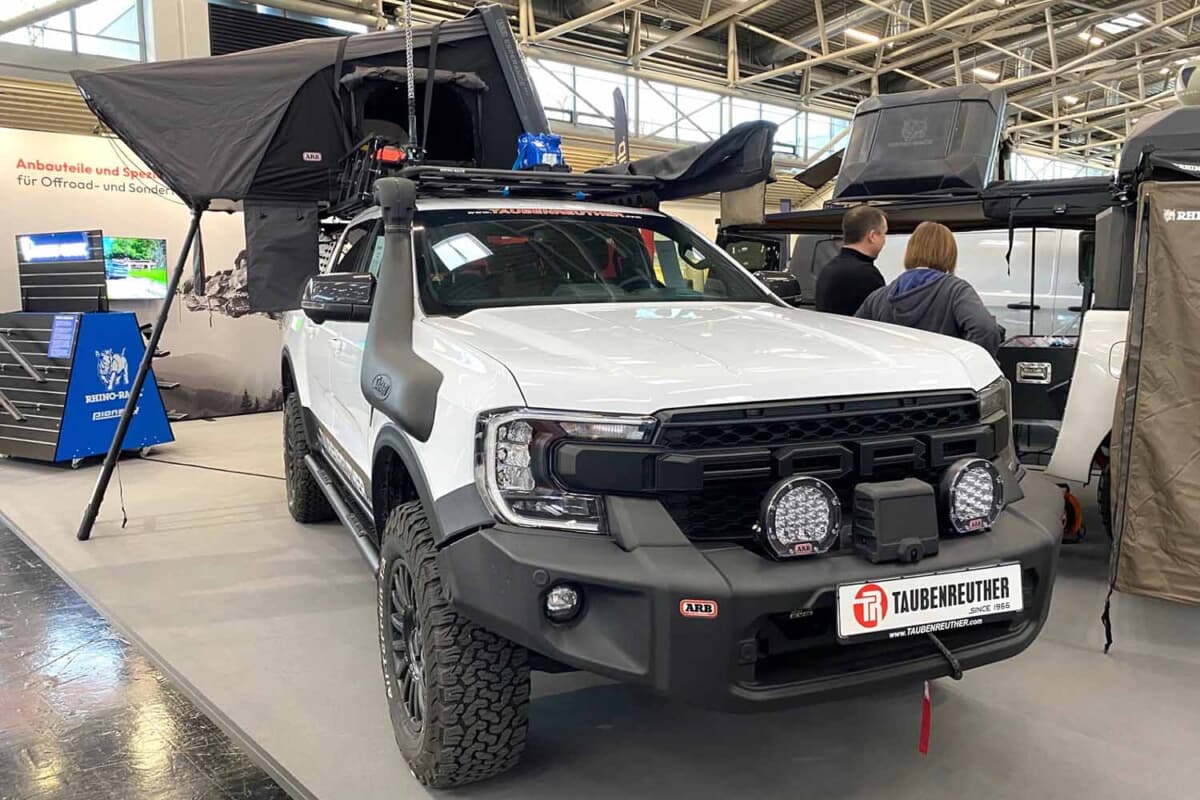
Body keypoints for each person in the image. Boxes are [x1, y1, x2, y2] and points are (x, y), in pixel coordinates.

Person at [855, 221, 1003, 356]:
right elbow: (985, 329)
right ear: (949, 253)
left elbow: (854, 336)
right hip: (944, 375)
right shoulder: (956, 291)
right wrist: (969, 365)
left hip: (894, 375)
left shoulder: (879, 297)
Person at [814, 205, 887, 315]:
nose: (884, 240)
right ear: (872, 236)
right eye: (884, 233)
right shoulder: (867, 275)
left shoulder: (827, 270)